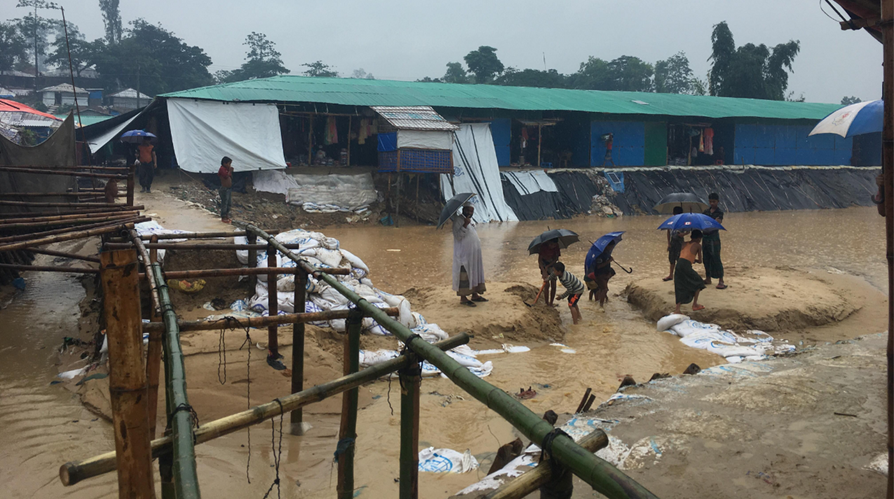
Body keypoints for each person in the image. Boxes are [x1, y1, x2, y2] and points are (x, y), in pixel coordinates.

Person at [452, 202, 487, 306]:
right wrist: (465, 225)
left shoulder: (470, 221)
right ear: (463, 209)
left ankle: (474, 294)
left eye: (471, 211)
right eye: (467, 210)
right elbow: (457, 236)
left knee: (474, 273)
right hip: (464, 255)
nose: (469, 212)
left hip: (473, 255)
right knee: (464, 274)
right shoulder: (458, 220)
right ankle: (463, 298)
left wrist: (468, 224)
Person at [674, 230, 706, 314]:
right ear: (699, 238)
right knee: (699, 282)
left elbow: (684, 255)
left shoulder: (684, 243)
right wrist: (694, 260)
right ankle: (695, 304)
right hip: (686, 265)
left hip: (679, 264)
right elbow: (700, 261)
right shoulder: (698, 245)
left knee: (679, 285)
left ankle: (677, 309)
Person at [702, 193, 727, 289]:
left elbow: (718, 223)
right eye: (711, 201)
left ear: (718, 201)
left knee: (716, 258)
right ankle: (708, 278)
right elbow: (704, 222)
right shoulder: (705, 212)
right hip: (705, 236)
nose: (712, 203)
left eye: (714, 201)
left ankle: (721, 280)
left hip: (714, 237)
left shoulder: (719, 212)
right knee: (706, 258)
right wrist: (712, 222)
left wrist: (711, 223)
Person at [587, 241, 616, 308]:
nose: (612, 248)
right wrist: (608, 261)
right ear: (607, 246)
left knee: (602, 289)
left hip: (604, 273)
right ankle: (601, 305)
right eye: (611, 246)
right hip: (600, 274)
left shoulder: (606, 253)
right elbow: (598, 266)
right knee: (604, 289)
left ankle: (601, 302)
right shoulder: (600, 255)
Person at [663, 206, 685, 281]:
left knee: (680, 258)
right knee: (671, 258)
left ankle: (679, 275)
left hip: (680, 240)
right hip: (673, 241)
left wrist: (683, 234)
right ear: (673, 214)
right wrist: (668, 243)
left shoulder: (683, 222)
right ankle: (670, 275)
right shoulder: (671, 221)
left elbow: (688, 231)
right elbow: (668, 232)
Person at [538, 240, 561, 307]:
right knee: (546, 284)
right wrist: (544, 271)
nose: (552, 246)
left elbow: (556, 258)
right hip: (543, 264)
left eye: (554, 245)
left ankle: (551, 302)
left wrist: (549, 266)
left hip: (552, 265)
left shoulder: (556, 247)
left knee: (553, 284)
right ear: (548, 243)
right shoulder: (543, 247)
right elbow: (539, 260)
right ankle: (546, 303)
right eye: (551, 245)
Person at [218, 156, 234, 224]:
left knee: (229, 203)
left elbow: (230, 177)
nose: (229, 165)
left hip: (228, 189)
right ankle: (223, 216)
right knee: (224, 203)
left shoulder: (227, 170)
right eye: (228, 164)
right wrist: (229, 171)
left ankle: (227, 215)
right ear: (224, 163)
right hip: (224, 189)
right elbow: (225, 176)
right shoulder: (222, 169)